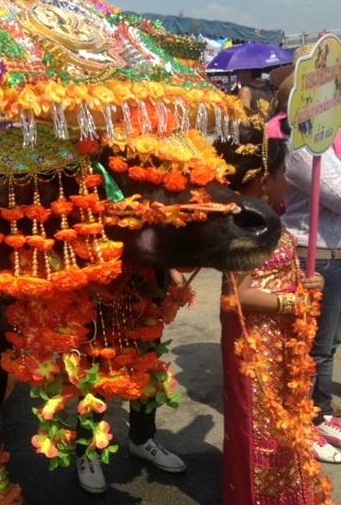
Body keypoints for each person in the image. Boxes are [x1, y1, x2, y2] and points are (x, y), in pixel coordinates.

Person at [215, 118, 333, 504]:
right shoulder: (244, 225)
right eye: (282, 173)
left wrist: (305, 285)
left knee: (284, 423)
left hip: (279, 339)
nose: (286, 181)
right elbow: (235, 297)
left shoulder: (266, 218)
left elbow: (280, 274)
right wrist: (290, 302)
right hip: (254, 345)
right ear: (264, 179)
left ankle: (284, 494)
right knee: (259, 426)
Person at [75, 267, 187, 494]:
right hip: (97, 275)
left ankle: (142, 439)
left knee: (146, 362)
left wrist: (172, 266)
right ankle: (87, 450)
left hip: (145, 277)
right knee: (94, 369)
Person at [279, 115, 341, 462]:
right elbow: (337, 195)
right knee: (306, 345)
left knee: (328, 343)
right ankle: (302, 419)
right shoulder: (302, 145)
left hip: (334, 253)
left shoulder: (326, 144)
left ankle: (322, 413)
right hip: (309, 254)